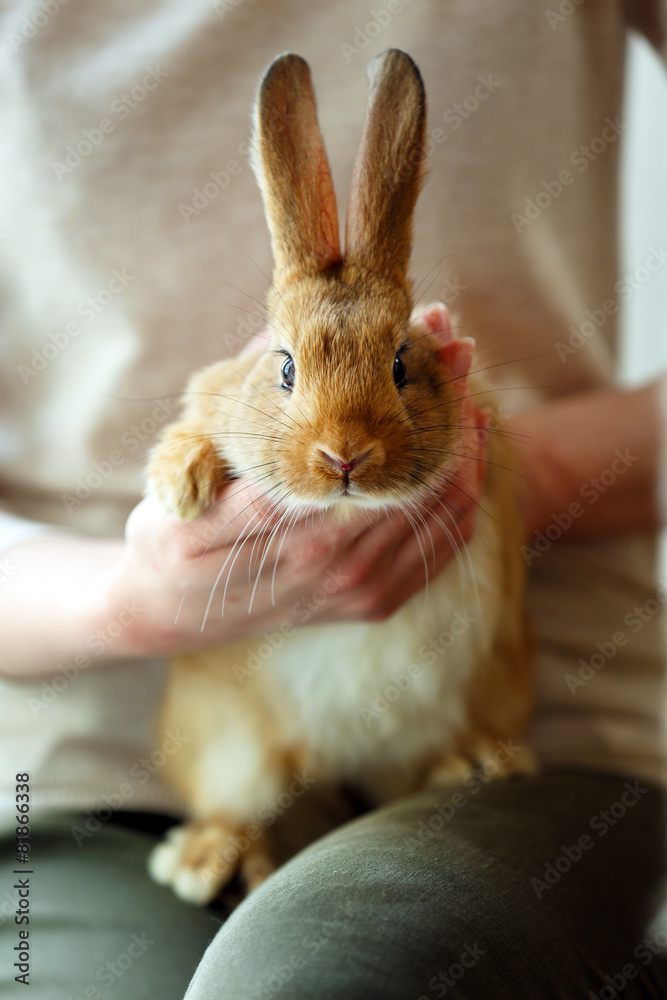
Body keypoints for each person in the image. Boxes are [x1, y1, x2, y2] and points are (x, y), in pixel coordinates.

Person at [0, 1, 665, 996]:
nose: (343, 448)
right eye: (290, 381)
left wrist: (509, 480)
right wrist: (132, 601)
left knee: (325, 977)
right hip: (91, 765)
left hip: (528, 732)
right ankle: (227, 819)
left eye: (402, 372)